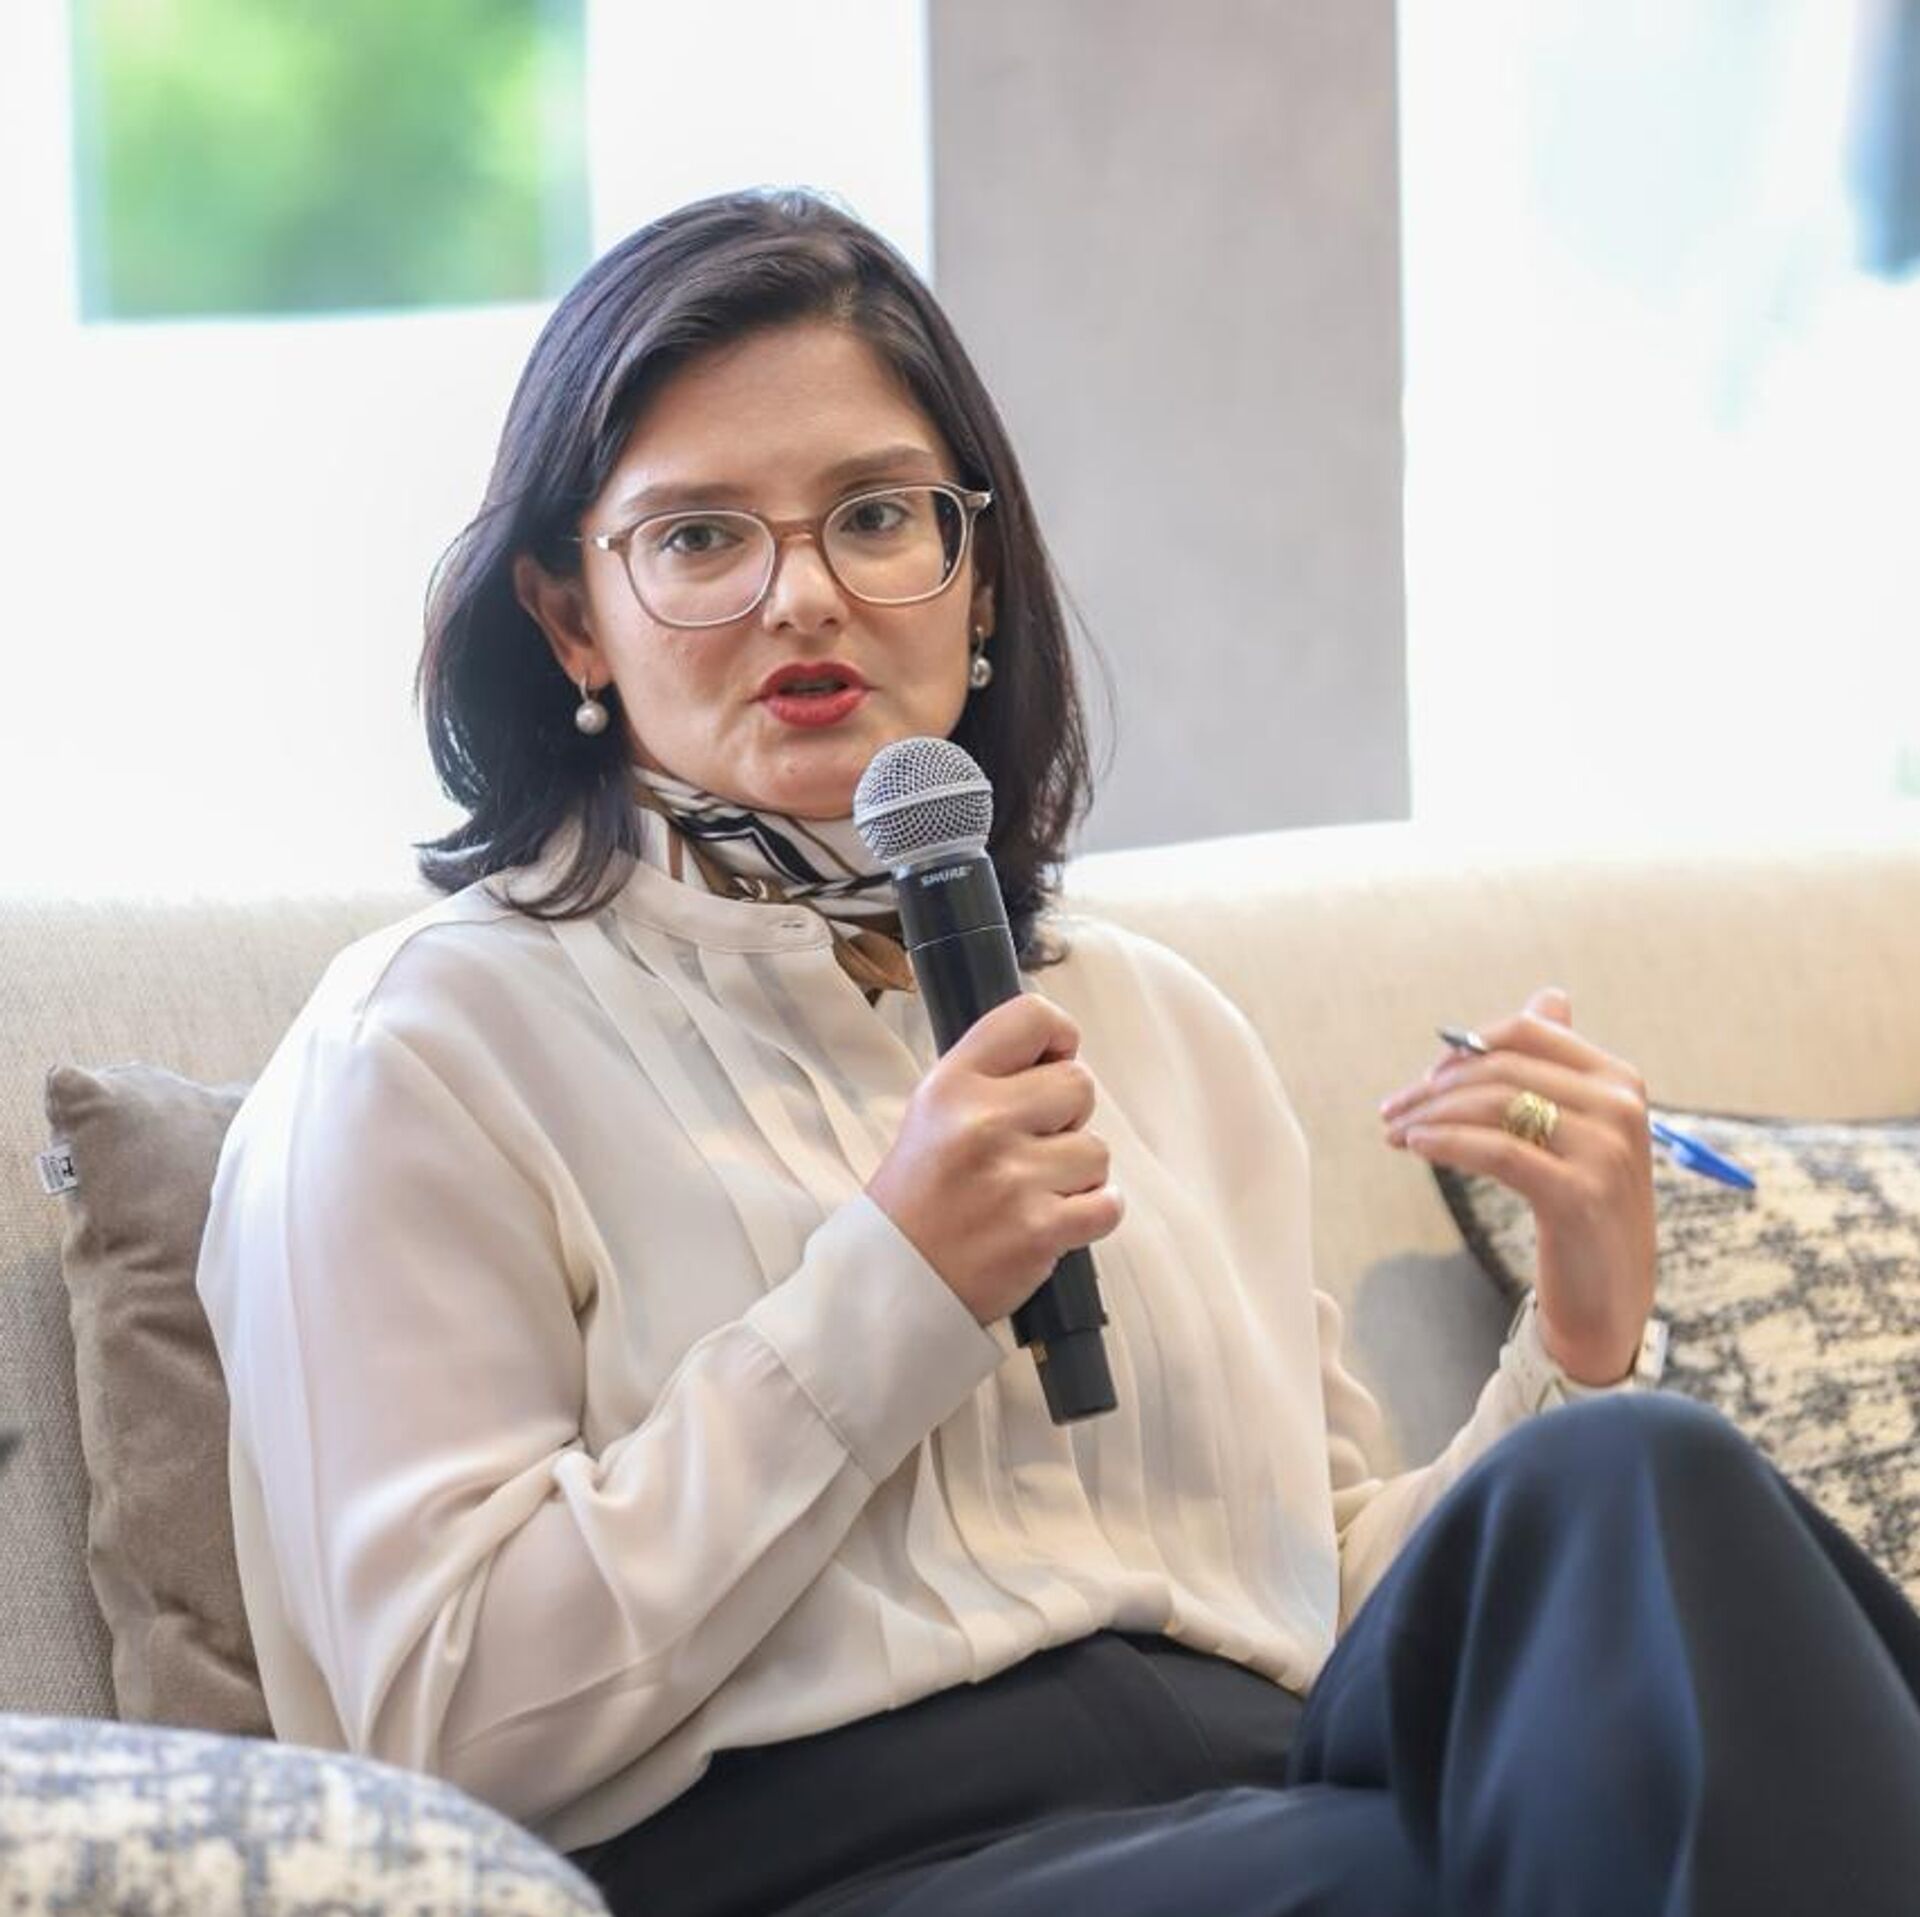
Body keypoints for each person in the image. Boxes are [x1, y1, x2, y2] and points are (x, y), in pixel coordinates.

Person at [194, 189, 1920, 1917]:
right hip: (838, 1870)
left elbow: (1311, 1596)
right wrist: (892, 1285)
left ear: (980, 577)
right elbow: (438, 1725)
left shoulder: (1158, 1021)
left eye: (878, 516)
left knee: (1634, 1468)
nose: (806, 595)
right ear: (573, 617)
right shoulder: (424, 1048)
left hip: (1281, 1811)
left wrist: (1580, 1340)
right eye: (702, 538)